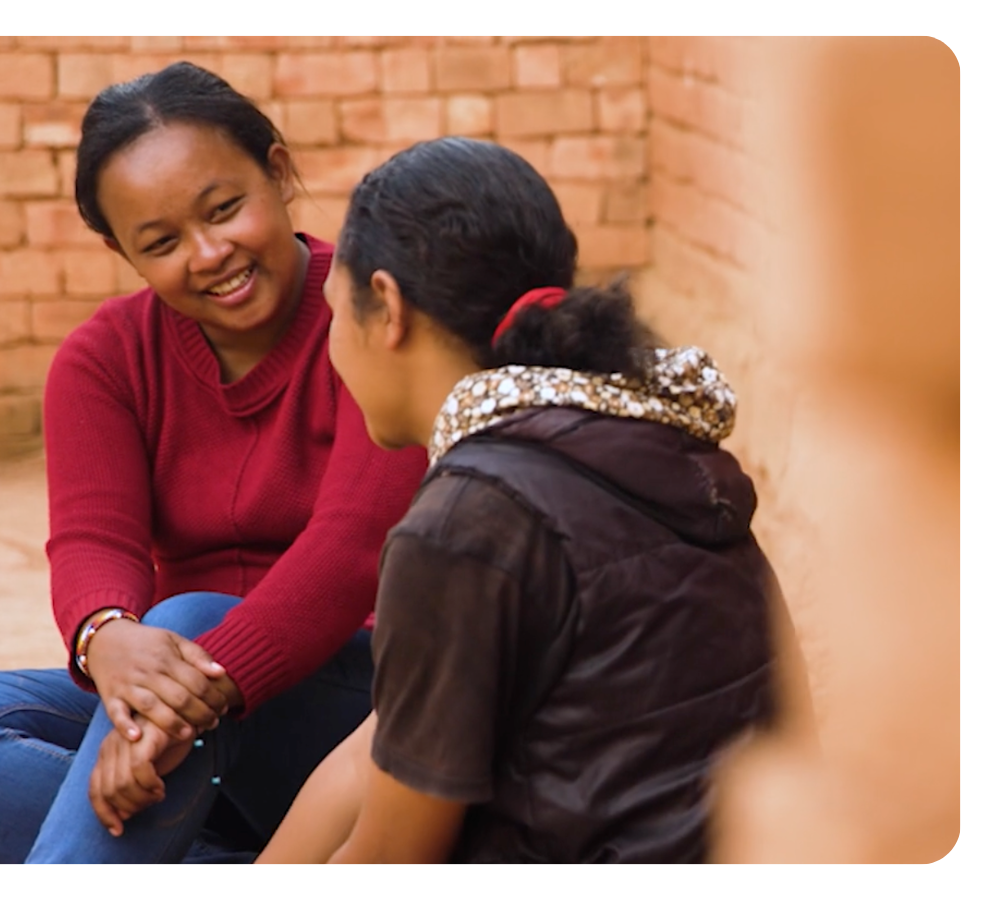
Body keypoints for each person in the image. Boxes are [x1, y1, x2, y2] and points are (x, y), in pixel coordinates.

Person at [0, 62, 425, 865]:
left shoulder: (373, 315)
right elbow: (94, 540)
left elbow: (350, 550)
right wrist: (107, 640)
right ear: (119, 249)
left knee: (191, 618)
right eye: (160, 243)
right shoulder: (105, 359)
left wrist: (182, 696)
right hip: (183, 722)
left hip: (350, 712)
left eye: (225, 209)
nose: (208, 253)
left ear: (278, 169)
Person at [255, 137, 783, 865]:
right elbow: (373, 755)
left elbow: (390, 854)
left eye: (334, 311)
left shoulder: (466, 520)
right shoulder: (663, 444)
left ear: (387, 305)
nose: (333, 344)